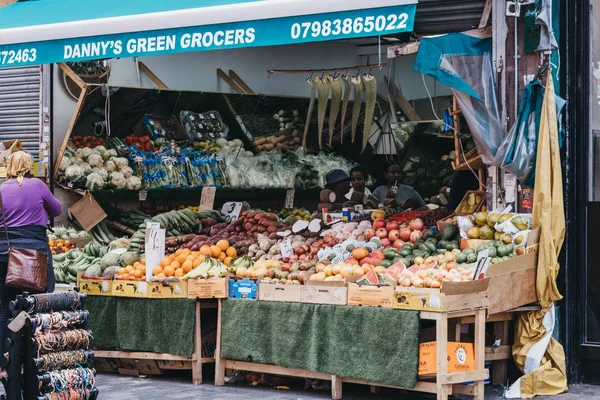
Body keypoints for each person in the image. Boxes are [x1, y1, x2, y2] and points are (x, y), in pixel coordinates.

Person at [0, 152, 61, 376]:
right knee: (39, 304)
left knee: (4, 309)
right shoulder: (37, 185)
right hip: (35, 256)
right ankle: (36, 359)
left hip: (5, 255)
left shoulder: (1, 189)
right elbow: (57, 210)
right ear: (29, 167)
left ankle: (3, 365)